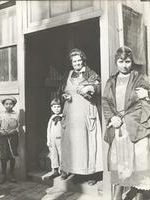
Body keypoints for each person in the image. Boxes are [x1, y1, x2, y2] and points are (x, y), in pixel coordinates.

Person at [103, 46, 150, 200]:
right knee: (120, 163)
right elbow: (106, 102)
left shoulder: (139, 78)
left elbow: (146, 98)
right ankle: (117, 197)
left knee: (140, 163)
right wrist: (112, 118)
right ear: (116, 62)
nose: (124, 65)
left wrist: (147, 94)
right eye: (120, 61)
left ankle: (140, 196)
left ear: (132, 62)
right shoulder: (111, 81)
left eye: (128, 61)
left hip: (137, 127)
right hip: (119, 128)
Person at [58, 48, 103, 185]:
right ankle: (75, 171)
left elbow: (100, 87)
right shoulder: (68, 74)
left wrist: (91, 88)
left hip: (85, 114)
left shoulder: (90, 73)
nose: (77, 63)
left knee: (88, 142)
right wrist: (64, 95)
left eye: (79, 60)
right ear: (71, 63)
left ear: (83, 61)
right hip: (71, 114)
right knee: (73, 144)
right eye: (74, 61)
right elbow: (61, 90)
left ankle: (92, 174)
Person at [0, 96, 19, 184]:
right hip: (3, 138)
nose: (9, 106)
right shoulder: (1, 115)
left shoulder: (17, 114)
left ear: (13, 105)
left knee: (12, 155)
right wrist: (1, 131)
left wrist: (14, 131)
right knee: (3, 156)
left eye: (11, 104)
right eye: (6, 104)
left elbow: (19, 126)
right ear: (4, 105)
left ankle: (11, 174)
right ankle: (3, 174)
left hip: (13, 138)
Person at [47, 98, 62, 179]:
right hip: (52, 140)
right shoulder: (52, 118)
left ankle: (63, 170)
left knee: (62, 154)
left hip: (60, 139)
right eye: (55, 107)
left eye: (58, 107)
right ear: (51, 108)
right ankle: (55, 170)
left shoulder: (62, 117)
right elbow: (48, 130)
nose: (57, 109)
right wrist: (48, 140)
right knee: (54, 155)